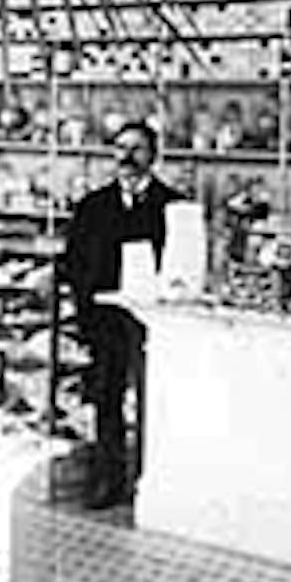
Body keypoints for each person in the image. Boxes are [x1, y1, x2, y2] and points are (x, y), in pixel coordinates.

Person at [62, 121, 181, 510]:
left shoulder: (173, 207)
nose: (127, 156)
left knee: (157, 400)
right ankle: (109, 481)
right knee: (107, 400)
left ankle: (153, 480)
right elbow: (74, 261)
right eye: (120, 147)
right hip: (106, 320)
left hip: (154, 323)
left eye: (138, 148)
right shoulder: (93, 206)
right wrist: (85, 308)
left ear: (154, 155)